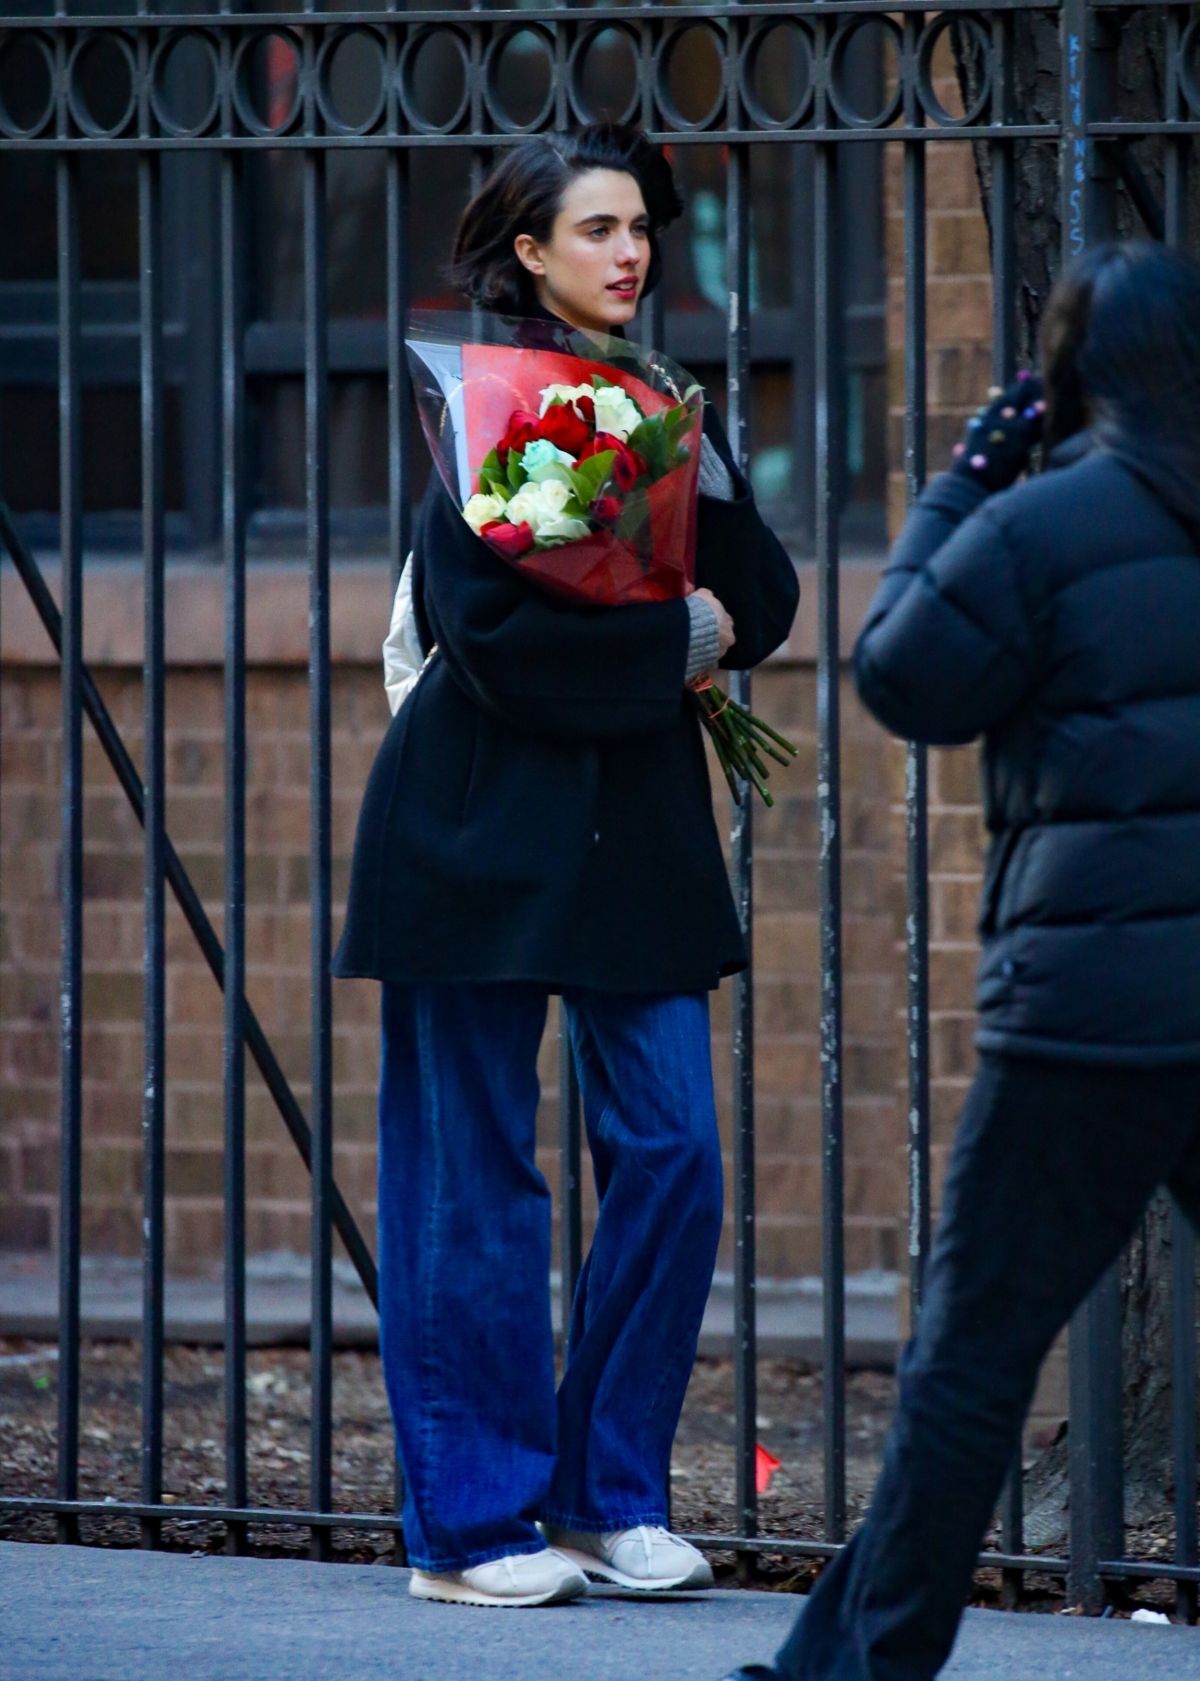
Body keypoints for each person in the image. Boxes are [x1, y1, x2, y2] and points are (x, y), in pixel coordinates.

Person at [332, 121, 799, 1608]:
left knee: (673, 1154)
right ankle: (468, 1526)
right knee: (477, 1180)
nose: (629, 249)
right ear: (530, 250)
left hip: (633, 842)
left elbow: (767, 592)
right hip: (475, 829)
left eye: (639, 227)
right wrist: (672, 641)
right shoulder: (488, 409)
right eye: (596, 229)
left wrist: (700, 532)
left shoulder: (663, 400)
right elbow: (505, 643)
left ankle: (609, 1491)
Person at [721, 238, 1200, 1680]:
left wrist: (962, 482)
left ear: (1070, 378)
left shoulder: (1046, 524)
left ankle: (860, 1673)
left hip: (1090, 1018)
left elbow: (902, 672)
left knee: (973, 1356)